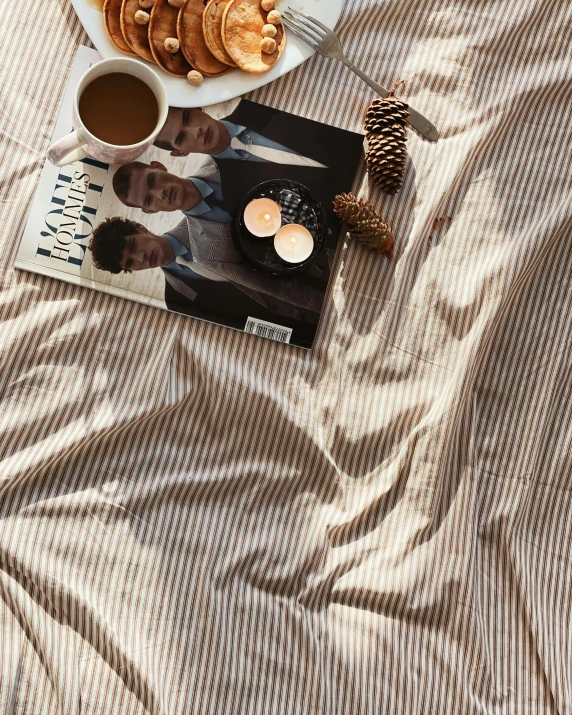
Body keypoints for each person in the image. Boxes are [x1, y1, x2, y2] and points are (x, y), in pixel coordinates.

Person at [89, 215, 326, 323]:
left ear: (140, 228)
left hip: (319, 273)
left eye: (133, 245)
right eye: (130, 263)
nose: (141, 257)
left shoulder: (203, 219)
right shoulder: (175, 298)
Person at [154, 100, 329, 167]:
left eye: (188, 117)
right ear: (180, 152)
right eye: (181, 138)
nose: (196, 131)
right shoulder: (233, 191)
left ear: (197, 107)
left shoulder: (261, 101)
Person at [112, 160, 232, 223]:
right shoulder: (204, 253)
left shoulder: (221, 161)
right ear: (150, 210)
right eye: (149, 200)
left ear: (159, 166)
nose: (160, 194)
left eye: (152, 180)